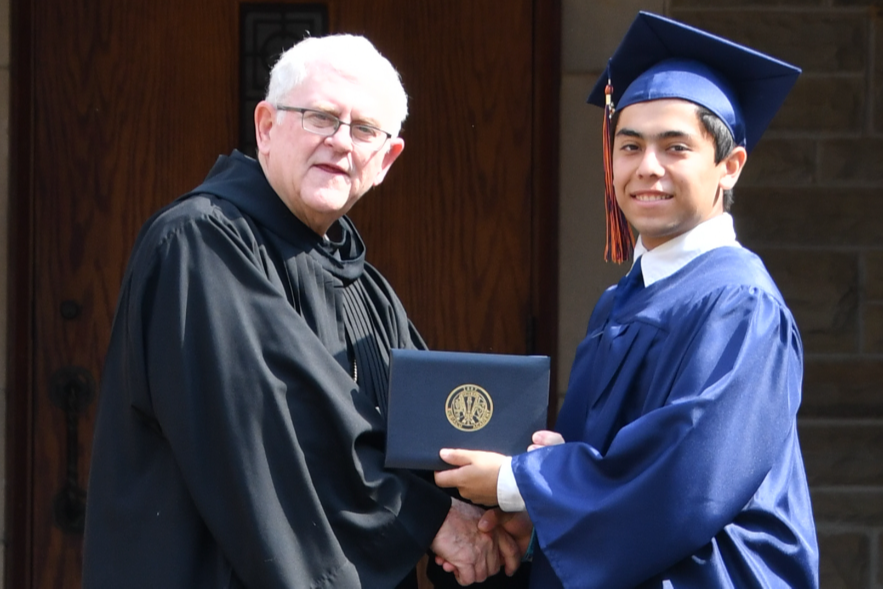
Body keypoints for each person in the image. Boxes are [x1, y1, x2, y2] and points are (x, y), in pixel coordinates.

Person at [82, 34, 520, 588]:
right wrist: (427, 516)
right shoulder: (198, 245)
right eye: (320, 117)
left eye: (364, 130)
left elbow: (427, 431)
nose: (341, 142)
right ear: (266, 126)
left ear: (385, 160)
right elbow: (275, 421)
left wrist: (501, 508)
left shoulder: (368, 291)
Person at [434, 11, 819, 588]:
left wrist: (521, 483)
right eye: (630, 146)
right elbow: (600, 462)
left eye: (675, 147)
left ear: (729, 166)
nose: (647, 168)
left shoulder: (741, 304)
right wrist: (536, 521)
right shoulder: (621, 301)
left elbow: (685, 480)